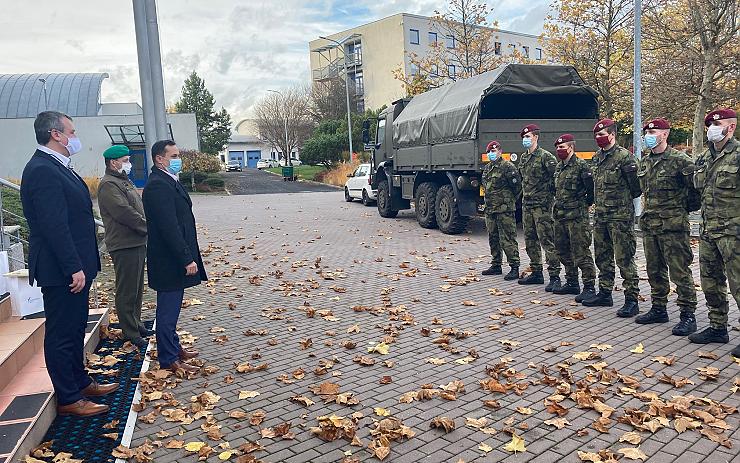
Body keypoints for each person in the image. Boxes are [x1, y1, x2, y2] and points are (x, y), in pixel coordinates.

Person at [20, 111, 117, 417]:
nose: (76, 138)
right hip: (61, 269)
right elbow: (54, 225)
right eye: (71, 132)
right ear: (56, 135)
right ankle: (69, 397)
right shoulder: (42, 169)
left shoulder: (59, 166)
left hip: (75, 265)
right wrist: (73, 266)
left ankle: (80, 381)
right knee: (62, 333)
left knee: (76, 328)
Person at [142, 140, 207, 373]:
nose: (178, 159)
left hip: (172, 258)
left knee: (172, 308)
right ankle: (169, 359)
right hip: (169, 260)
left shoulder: (168, 180)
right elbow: (169, 227)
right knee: (167, 311)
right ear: (160, 159)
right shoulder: (158, 185)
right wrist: (186, 258)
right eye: (174, 155)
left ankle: (174, 348)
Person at [633, 118, 699, 336]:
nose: (649, 134)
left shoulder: (681, 161)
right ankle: (659, 307)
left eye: (654, 131)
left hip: (673, 227)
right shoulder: (645, 162)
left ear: (665, 134)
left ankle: (688, 315)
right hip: (651, 225)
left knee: (679, 272)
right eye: (647, 131)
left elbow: (695, 194)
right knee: (654, 269)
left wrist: (678, 212)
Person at [687, 108, 739, 354]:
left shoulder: (738, 155)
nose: (712, 129)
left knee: (738, 283)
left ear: (732, 127)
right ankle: (718, 327)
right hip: (708, 231)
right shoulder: (704, 158)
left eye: (718, 125)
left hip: (734, 233)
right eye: (710, 125)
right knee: (711, 281)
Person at [582, 119, 642, 317]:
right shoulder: (597, 157)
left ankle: (632, 299)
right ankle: (605, 293)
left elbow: (636, 188)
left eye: (602, 134)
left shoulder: (625, 158)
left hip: (620, 217)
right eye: (596, 135)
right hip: (601, 217)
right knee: (602, 256)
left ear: (612, 135)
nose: (598, 138)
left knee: (624, 258)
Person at [98, 145, 152, 348]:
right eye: (126, 160)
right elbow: (123, 212)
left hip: (136, 241)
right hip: (124, 243)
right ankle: (129, 331)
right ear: (114, 162)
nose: (129, 164)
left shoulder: (123, 181)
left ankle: (136, 324)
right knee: (127, 290)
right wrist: (148, 227)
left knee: (136, 288)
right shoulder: (109, 185)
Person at [551, 134, 597, 301]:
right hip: (560, 216)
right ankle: (572, 282)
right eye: (557, 148)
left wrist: (583, 205)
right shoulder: (559, 167)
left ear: (571, 148)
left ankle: (589, 286)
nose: (559, 150)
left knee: (580, 251)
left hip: (577, 217)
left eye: (562, 148)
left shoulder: (581, 166)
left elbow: (591, 192)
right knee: (562, 250)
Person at [517, 124, 562, 291]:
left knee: (547, 240)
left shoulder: (546, 157)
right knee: (530, 240)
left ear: (536, 137)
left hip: (542, 206)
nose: (525, 140)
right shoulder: (524, 158)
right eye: (524, 137)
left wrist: (550, 198)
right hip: (527, 205)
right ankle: (536, 272)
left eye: (528, 137)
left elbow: (556, 179)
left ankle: (555, 275)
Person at [481, 140, 521, 280]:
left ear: (500, 151)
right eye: (489, 152)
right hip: (491, 209)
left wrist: (508, 201)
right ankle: (496, 264)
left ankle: (514, 266)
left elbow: (517, 188)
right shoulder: (488, 168)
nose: (491, 154)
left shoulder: (508, 167)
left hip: (504, 209)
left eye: (493, 151)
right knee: (493, 237)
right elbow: (486, 186)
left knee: (508, 238)